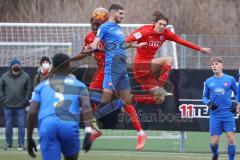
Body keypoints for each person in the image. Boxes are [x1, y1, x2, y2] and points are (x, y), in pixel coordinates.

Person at [88, 4, 147, 151]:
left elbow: (118, 45)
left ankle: (141, 133)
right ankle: (93, 124)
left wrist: (134, 46)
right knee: (104, 98)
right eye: (121, 13)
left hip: (121, 68)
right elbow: (94, 44)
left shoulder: (118, 29)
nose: (123, 16)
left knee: (126, 101)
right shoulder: (104, 27)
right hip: (109, 68)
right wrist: (89, 48)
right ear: (112, 14)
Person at [126, 11, 211, 104]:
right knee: (168, 60)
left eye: (164, 25)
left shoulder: (166, 33)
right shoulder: (145, 32)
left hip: (147, 73)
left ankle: (129, 100)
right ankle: (161, 86)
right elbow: (126, 42)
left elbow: (181, 41)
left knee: (160, 99)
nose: (162, 27)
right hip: (139, 66)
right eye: (160, 24)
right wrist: (136, 45)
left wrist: (200, 49)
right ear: (154, 23)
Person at [26, 53, 93, 160]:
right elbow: (86, 106)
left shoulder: (41, 87)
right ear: (69, 66)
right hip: (68, 126)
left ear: (53, 67)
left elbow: (32, 112)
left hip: (48, 126)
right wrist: (88, 132)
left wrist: (29, 138)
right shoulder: (79, 85)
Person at [202, 57, 237, 160]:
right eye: (212, 64)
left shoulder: (230, 79)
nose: (214, 66)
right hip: (215, 115)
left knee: (230, 139)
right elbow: (204, 97)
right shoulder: (208, 81)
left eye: (216, 64)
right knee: (214, 143)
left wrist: (235, 103)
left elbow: (237, 93)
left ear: (222, 65)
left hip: (228, 114)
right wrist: (209, 103)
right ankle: (215, 154)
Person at [0, 58, 32, 150]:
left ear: (20, 66)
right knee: (8, 125)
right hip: (8, 106)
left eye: (18, 64)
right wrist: (3, 98)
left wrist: (26, 99)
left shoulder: (26, 76)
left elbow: (29, 89)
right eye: (14, 64)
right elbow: (0, 88)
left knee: (21, 125)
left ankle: (21, 144)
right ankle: (8, 143)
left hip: (21, 107)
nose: (16, 66)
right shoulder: (4, 76)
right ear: (11, 66)